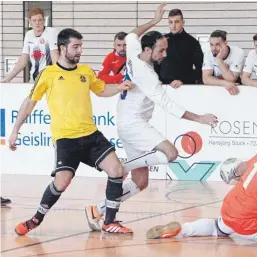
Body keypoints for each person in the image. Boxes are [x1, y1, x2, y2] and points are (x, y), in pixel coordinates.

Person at [84, 3, 217, 232]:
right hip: (134, 124)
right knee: (171, 153)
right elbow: (168, 105)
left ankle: (98, 209)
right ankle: (122, 164)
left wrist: (154, 21)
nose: (164, 55)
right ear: (148, 50)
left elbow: (131, 35)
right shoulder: (148, 76)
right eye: (161, 51)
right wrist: (200, 118)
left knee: (140, 183)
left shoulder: (136, 51)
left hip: (127, 122)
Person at [9, 28, 134, 235]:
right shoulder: (48, 74)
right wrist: (15, 130)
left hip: (91, 135)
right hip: (66, 139)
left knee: (117, 171)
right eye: (76, 47)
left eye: (81, 46)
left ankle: (109, 222)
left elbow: (101, 90)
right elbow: (29, 103)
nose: (79, 51)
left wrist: (120, 87)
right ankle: (36, 219)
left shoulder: (85, 71)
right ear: (62, 47)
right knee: (62, 182)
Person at [145, 123, 257, 251]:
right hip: (251, 224)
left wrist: (231, 175)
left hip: (230, 209)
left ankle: (184, 229)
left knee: (217, 227)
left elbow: (240, 169)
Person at [1, 7, 58, 83]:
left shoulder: (51, 32)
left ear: (44, 20)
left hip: (49, 80)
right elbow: (23, 60)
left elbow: (55, 56)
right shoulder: (28, 35)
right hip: (33, 80)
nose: (37, 23)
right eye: (34, 20)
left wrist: (59, 78)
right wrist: (7, 79)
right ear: (30, 22)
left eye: (40, 20)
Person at [154, 8, 204, 88]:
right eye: (170, 22)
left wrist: (183, 81)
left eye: (176, 22)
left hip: (184, 87)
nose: (173, 26)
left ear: (183, 22)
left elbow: (200, 68)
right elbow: (155, 64)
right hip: (162, 86)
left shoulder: (193, 42)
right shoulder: (161, 40)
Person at [202, 30, 244, 95]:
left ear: (225, 43)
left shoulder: (238, 52)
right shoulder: (208, 53)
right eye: (211, 44)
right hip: (216, 90)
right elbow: (205, 79)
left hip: (236, 91)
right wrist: (224, 83)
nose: (214, 48)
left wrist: (219, 60)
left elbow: (232, 79)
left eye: (217, 44)